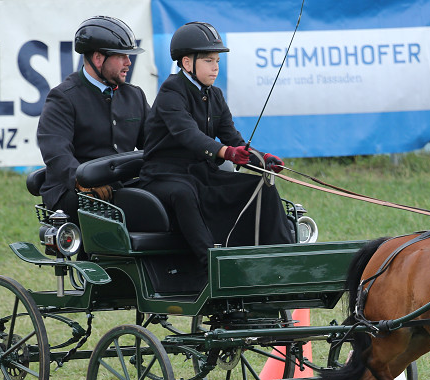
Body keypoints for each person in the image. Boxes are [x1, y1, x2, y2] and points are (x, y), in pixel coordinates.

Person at [138, 21, 294, 270]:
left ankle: (282, 257)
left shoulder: (216, 96)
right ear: (187, 63)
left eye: (217, 61)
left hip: (202, 174)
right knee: (183, 194)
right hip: (163, 176)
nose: (215, 67)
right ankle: (212, 264)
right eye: (209, 60)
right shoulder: (171, 92)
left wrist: (263, 160)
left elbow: (234, 140)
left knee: (259, 187)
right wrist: (225, 153)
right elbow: (188, 134)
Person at [37, 16, 149, 229]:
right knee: (133, 207)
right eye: (122, 56)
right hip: (73, 191)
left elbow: (155, 143)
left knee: (172, 195)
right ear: (98, 58)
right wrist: (83, 180)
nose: (129, 63)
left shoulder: (135, 96)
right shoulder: (63, 97)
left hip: (121, 186)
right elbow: (55, 151)